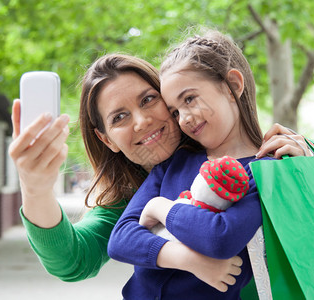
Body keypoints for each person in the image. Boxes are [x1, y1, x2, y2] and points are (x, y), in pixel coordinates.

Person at [8, 52, 311, 285]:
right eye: (119, 117)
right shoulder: (133, 194)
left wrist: (310, 165)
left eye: (149, 99)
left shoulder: (250, 161)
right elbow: (71, 260)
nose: (142, 122)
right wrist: (36, 188)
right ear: (106, 139)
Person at [107, 29, 276, 299]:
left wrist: (161, 208)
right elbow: (121, 240)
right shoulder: (176, 162)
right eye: (174, 111)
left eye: (189, 99)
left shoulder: (265, 170)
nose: (183, 118)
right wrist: (190, 259)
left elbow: (220, 238)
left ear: (232, 85)